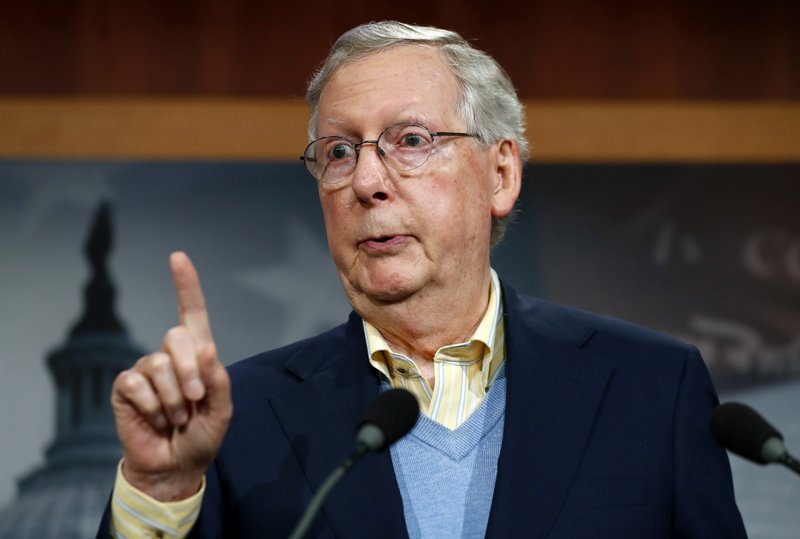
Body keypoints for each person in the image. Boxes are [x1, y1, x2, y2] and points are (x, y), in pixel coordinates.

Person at [98, 21, 746, 538]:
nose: (367, 181)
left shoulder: (651, 389)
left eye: (410, 139)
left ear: (500, 174)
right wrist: (160, 493)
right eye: (339, 152)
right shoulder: (238, 419)